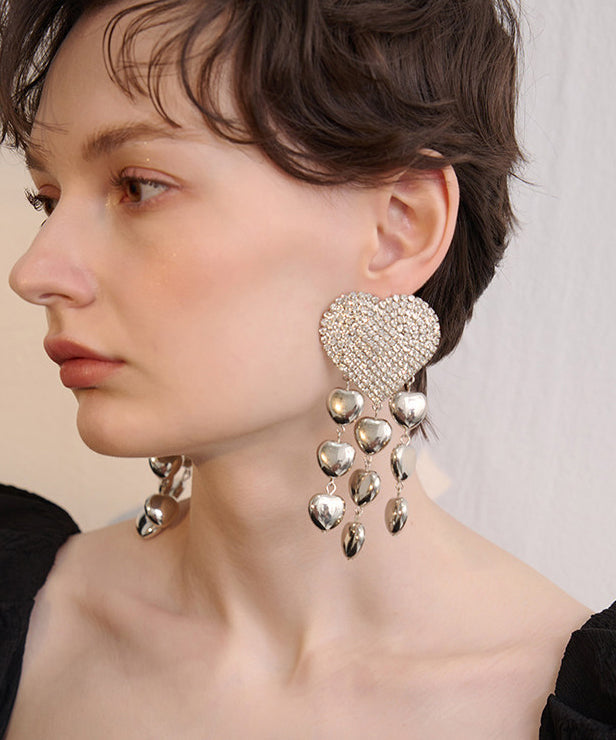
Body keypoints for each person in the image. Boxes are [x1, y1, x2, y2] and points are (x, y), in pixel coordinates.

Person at [0, 0, 614, 737]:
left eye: (138, 186)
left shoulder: (577, 706)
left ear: (398, 229)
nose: (35, 272)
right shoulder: (19, 605)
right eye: (48, 199)